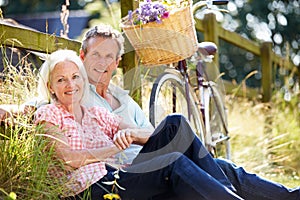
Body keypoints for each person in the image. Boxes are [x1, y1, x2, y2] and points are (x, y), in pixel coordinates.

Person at [77, 23, 300, 200]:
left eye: (109, 57)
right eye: (96, 54)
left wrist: (136, 135)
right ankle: (228, 193)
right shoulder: (77, 94)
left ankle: (291, 196)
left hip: (151, 163)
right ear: (82, 56)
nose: (102, 63)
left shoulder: (124, 99)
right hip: (129, 175)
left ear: (116, 62)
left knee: (222, 166)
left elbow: (152, 136)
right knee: (175, 123)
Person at [34, 49, 243, 199]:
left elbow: (150, 134)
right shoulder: (49, 114)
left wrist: (132, 134)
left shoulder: (95, 114)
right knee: (172, 162)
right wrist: (114, 147)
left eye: (75, 77)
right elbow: (68, 159)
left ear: (83, 80)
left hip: (116, 177)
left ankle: (228, 193)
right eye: (61, 80)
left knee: (174, 124)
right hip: (88, 190)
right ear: (50, 87)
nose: (70, 85)